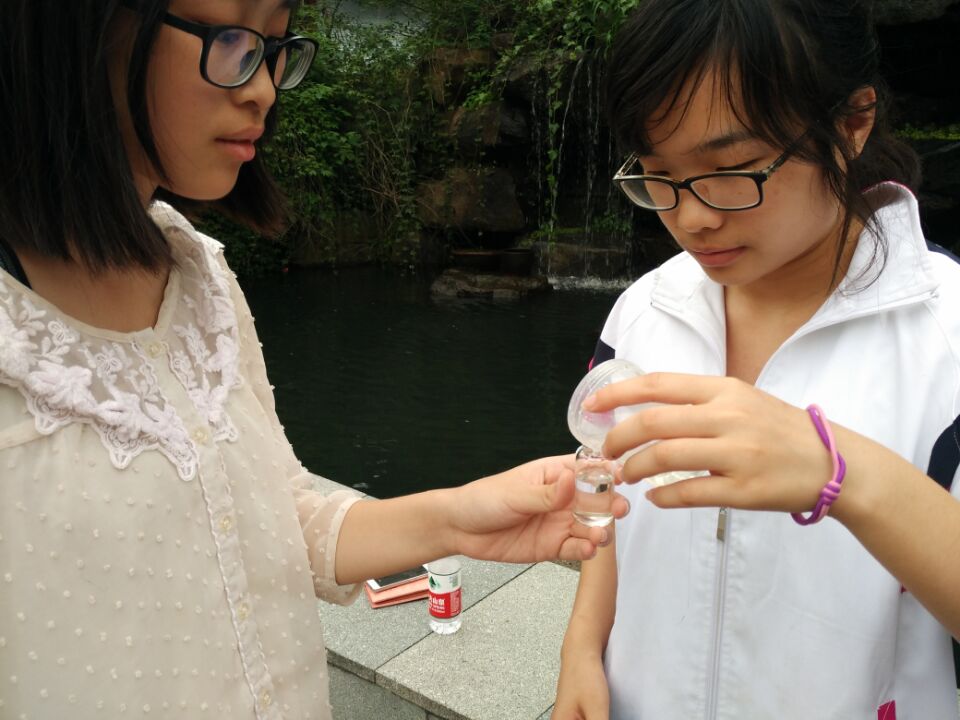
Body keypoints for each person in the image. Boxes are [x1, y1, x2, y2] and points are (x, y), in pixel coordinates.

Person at [0, 1, 630, 717]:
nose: (263, 88)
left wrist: (457, 519)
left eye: (273, 47)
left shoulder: (200, 272)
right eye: (232, 39)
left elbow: (272, 517)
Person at [553, 0, 960, 718]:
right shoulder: (645, 311)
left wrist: (845, 474)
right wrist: (583, 647)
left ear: (852, 124)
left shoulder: (945, 337)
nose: (692, 218)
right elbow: (608, 490)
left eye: (733, 169)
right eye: (658, 173)